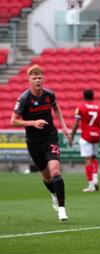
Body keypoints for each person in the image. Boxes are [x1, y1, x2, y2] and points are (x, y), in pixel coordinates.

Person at [10, 65, 71, 221]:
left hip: (50, 137)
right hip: (34, 142)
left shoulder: (49, 95)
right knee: (47, 177)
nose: (37, 80)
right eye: (34, 78)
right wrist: (33, 123)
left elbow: (56, 108)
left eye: (39, 78)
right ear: (29, 80)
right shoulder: (24, 99)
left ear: (43, 79)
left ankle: (62, 209)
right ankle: (53, 195)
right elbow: (13, 121)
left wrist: (63, 126)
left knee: (55, 170)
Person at [69, 89, 100, 192]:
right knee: (94, 158)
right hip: (97, 136)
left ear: (84, 97)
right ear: (93, 97)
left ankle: (91, 185)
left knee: (87, 160)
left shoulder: (81, 108)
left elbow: (76, 124)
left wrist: (72, 136)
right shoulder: (99, 108)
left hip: (86, 136)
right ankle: (95, 180)